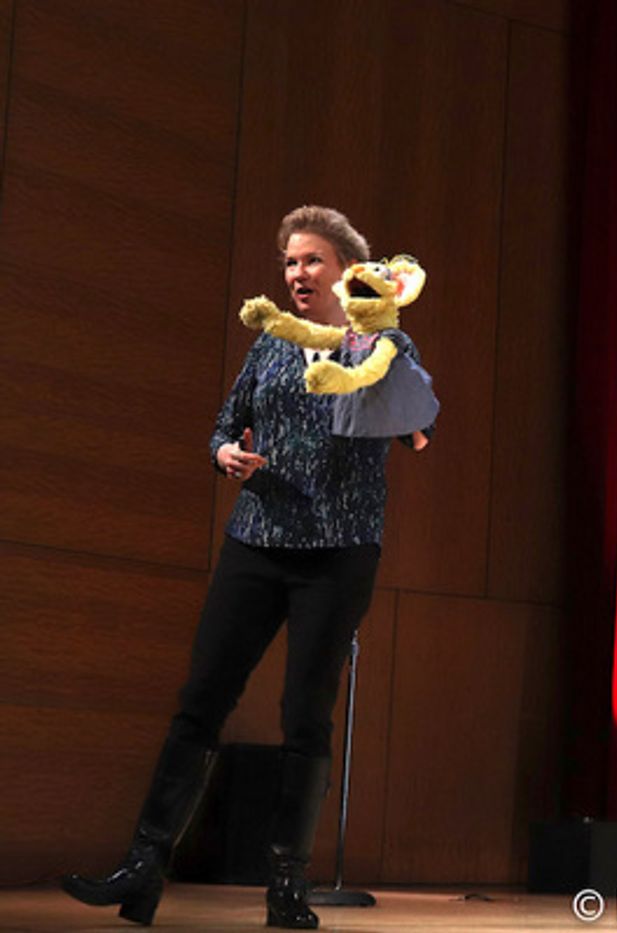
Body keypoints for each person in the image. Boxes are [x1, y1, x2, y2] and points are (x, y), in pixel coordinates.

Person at [61, 206, 431, 929]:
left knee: (305, 716)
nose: (298, 273)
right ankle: (144, 865)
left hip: (338, 547)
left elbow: (421, 426)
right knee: (201, 699)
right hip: (257, 537)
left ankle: (286, 886)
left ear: (347, 269)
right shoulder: (268, 340)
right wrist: (224, 452)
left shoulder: (382, 340)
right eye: (291, 261)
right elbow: (226, 422)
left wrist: (392, 390)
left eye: (313, 260)